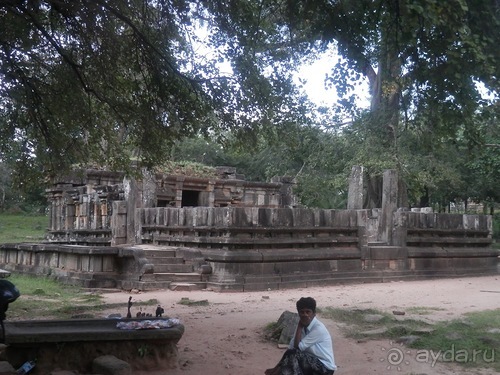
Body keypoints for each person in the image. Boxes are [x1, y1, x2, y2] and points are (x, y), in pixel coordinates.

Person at [265, 297, 336, 375]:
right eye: (302, 312)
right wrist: (277, 367)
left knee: (294, 357)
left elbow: (297, 348)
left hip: (324, 367)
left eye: (308, 312)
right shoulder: (303, 325)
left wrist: (299, 326)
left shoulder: (318, 328)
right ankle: (277, 372)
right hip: (309, 361)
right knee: (291, 359)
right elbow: (291, 348)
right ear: (298, 313)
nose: (305, 315)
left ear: (314, 313)